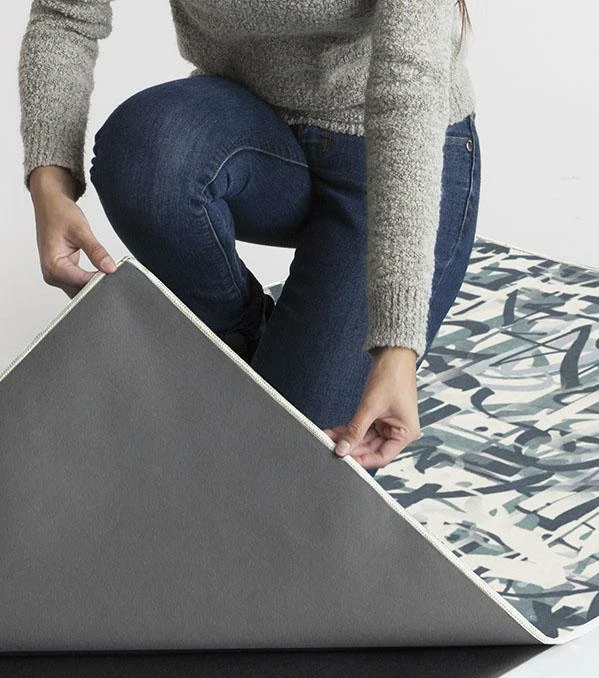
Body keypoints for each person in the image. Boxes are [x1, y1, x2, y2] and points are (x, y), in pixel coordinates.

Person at [18, 0, 480, 480]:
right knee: (146, 155)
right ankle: (245, 335)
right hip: (255, 131)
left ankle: (295, 361)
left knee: (286, 468)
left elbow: (408, 84)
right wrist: (49, 188)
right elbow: (66, 14)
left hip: (399, 154)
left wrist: (397, 345)